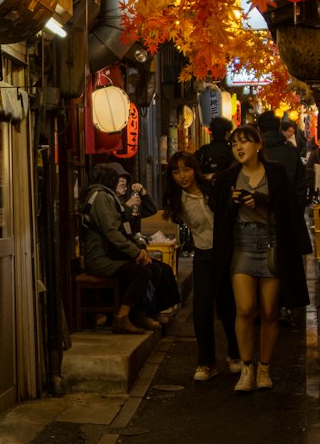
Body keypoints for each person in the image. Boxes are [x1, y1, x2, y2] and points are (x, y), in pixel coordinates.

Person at [212, 124, 311, 392]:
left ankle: (264, 368)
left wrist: (262, 200)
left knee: (269, 311)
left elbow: (290, 209)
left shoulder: (276, 172)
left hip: (272, 245)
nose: (239, 147)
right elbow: (217, 211)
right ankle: (246, 368)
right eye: (234, 144)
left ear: (258, 145)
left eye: (244, 142)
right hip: (241, 245)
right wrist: (231, 203)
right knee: (244, 308)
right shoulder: (228, 177)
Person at [163, 151, 241, 381]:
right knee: (201, 307)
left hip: (227, 252)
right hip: (204, 254)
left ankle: (235, 354)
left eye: (186, 169)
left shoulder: (212, 186)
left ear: (194, 169)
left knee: (228, 305)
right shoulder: (177, 201)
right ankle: (206, 362)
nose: (182, 175)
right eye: (176, 171)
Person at [80, 163, 170, 334]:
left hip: (111, 255)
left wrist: (138, 251)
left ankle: (138, 314)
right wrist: (136, 252)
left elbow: (141, 216)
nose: (121, 183)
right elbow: (112, 231)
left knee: (154, 268)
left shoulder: (108, 196)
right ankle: (122, 317)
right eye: (118, 180)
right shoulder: (100, 196)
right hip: (100, 259)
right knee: (142, 272)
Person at [255, 110, 308, 211]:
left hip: (260, 214)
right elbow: (301, 186)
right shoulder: (291, 151)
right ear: (279, 127)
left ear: (258, 130)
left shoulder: (255, 153)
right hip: (288, 210)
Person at [195, 116, 234, 181]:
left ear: (211, 133)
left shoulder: (202, 151)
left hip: (204, 188)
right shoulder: (231, 151)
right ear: (227, 133)